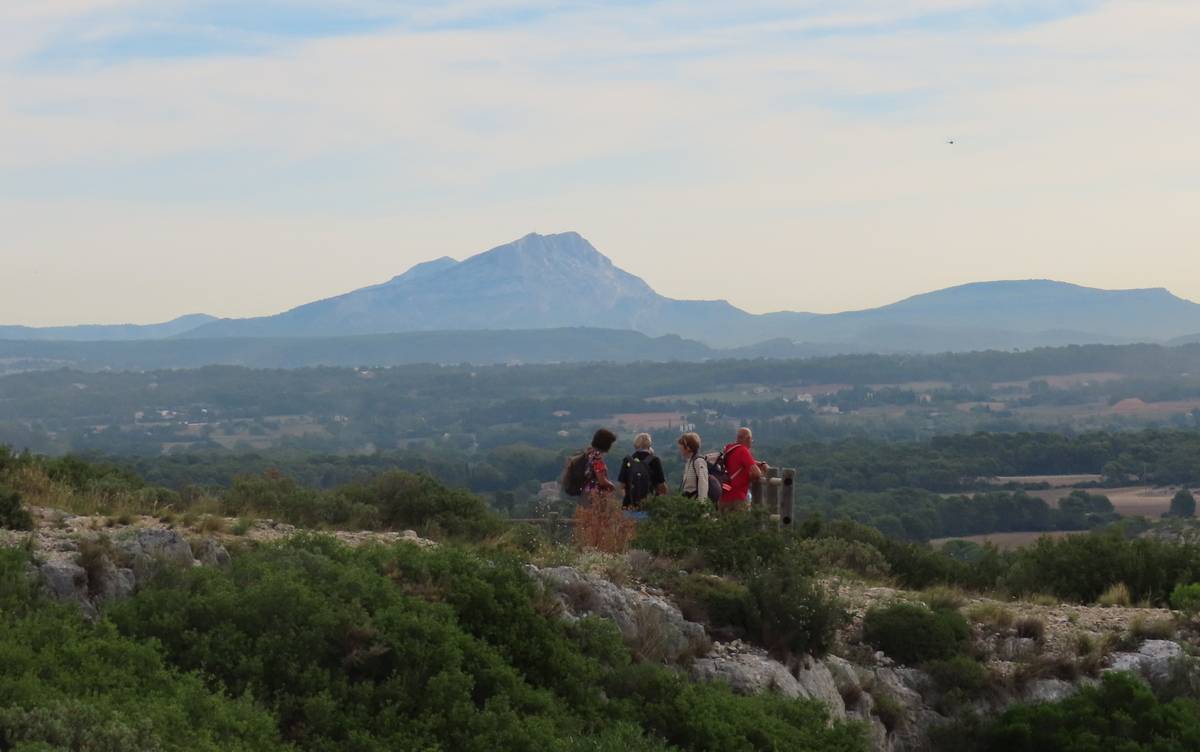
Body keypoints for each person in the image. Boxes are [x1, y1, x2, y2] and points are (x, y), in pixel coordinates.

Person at [720, 427, 768, 510]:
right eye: (751, 440)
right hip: (737, 498)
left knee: (725, 523)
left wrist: (760, 463)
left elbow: (740, 462)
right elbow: (757, 473)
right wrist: (762, 475)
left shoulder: (729, 449)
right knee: (741, 522)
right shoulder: (743, 450)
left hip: (723, 497)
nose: (751, 443)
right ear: (748, 438)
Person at [618, 433, 668, 510]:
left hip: (629, 506)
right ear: (649, 445)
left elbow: (622, 486)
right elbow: (662, 486)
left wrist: (630, 498)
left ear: (635, 445)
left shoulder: (627, 460)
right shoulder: (654, 460)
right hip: (649, 506)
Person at [583, 428, 617, 498]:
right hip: (595, 495)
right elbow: (602, 481)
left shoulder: (589, 453)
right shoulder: (597, 458)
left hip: (585, 492)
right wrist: (612, 486)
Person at [677, 432, 709, 500]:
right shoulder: (689, 461)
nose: (680, 451)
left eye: (681, 448)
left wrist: (702, 503)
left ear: (688, 448)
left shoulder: (698, 461)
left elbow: (703, 483)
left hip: (695, 502)